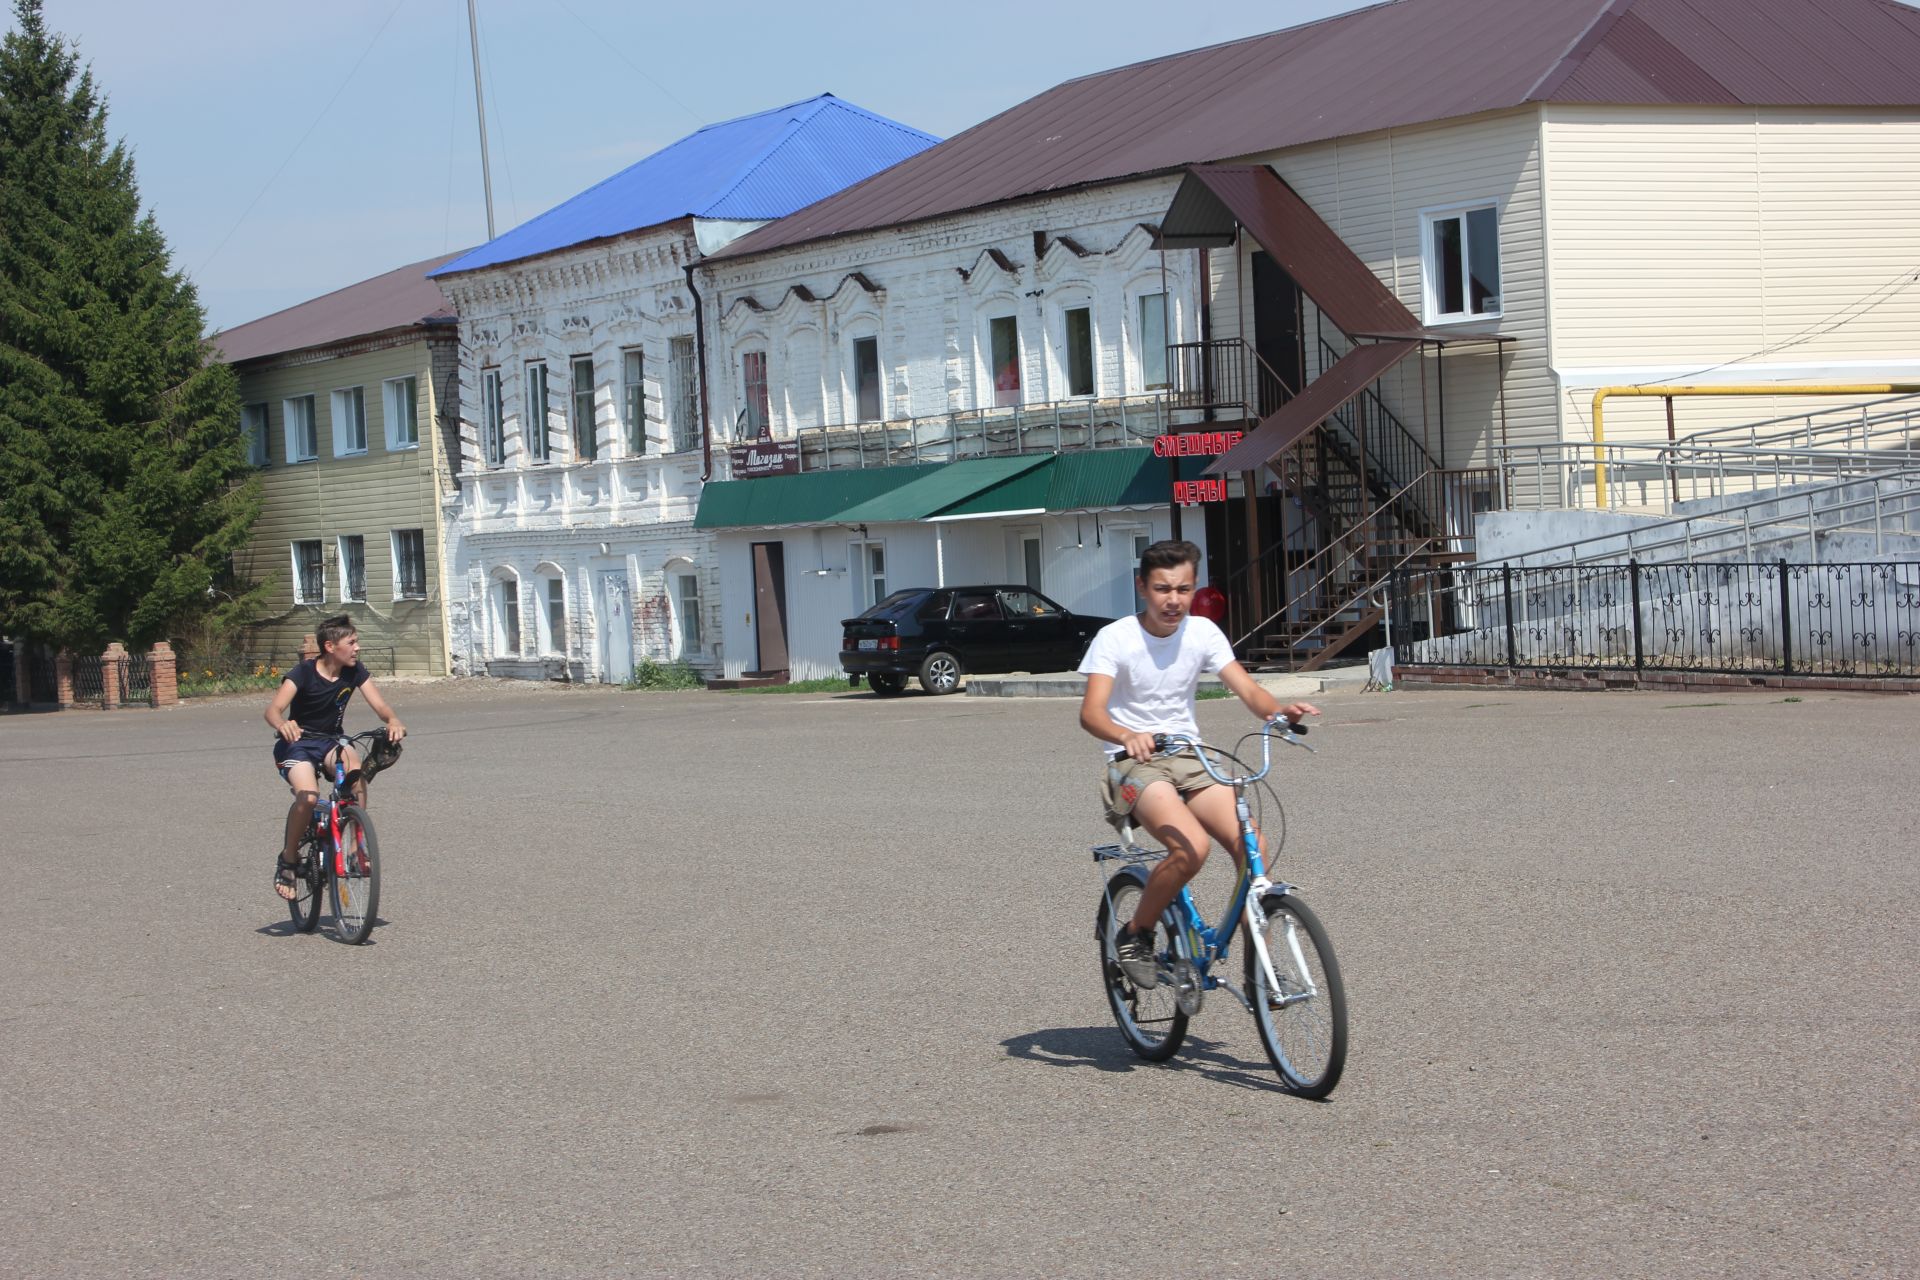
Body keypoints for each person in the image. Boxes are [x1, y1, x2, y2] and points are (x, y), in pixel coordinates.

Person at [1078, 540, 1317, 988]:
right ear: (1142, 587)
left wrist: (1277, 712)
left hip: (1190, 757)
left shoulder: (1204, 632)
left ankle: (1257, 965)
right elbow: (1091, 713)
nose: (1174, 601)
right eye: (1163, 589)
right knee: (1191, 849)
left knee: (1254, 848)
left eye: (1184, 589)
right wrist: (1126, 734)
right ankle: (1136, 935)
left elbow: (1248, 690)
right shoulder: (1116, 638)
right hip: (1134, 762)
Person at [264, 615, 406, 901]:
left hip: (331, 741)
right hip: (298, 744)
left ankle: (355, 849)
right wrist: (283, 724)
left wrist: (392, 720)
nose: (357, 648)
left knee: (357, 780)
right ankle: (288, 860)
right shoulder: (303, 673)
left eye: (357, 642)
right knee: (309, 797)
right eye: (351, 642)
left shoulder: (354, 672)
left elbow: (379, 705)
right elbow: (273, 710)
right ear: (330, 646)